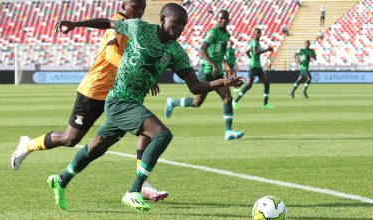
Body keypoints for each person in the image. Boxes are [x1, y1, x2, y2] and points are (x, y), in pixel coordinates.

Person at [50, 3, 243, 211]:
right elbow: (108, 23)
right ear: (162, 19)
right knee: (162, 134)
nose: (180, 29)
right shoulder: (139, 28)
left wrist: (223, 82)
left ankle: (60, 180)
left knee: (95, 149)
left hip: (132, 104)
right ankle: (133, 191)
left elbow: (195, 86)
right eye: (176, 23)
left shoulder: (176, 52)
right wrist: (75, 24)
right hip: (118, 101)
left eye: (183, 25)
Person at [10, 0, 168, 202]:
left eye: (142, 9)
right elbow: (111, 54)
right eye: (135, 7)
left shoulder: (136, 28)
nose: (139, 12)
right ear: (123, 5)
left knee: (146, 128)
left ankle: (142, 183)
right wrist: (137, 71)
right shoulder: (118, 23)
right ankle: (28, 145)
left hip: (120, 92)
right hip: (95, 90)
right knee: (70, 139)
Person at [164, 10, 244, 141]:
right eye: (221, 18)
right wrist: (213, 64)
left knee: (228, 97)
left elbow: (220, 54)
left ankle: (229, 131)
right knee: (197, 102)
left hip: (218, 73)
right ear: (218, 20)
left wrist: (226, 64)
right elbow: (202, 50)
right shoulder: (213, 32)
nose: (223, 20)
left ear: (228, 20)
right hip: (207, 71)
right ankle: (172, 102)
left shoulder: (227, 35)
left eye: (225, 18)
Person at [232, 28, 273, 109]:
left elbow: (247, 51)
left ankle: (265, 104)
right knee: (248, 85)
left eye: (259, 33)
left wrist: (251, 58)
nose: (258, 34)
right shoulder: (254, 42)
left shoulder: (255, 42)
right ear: (254, 34)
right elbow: (256, 52)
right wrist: (267, 50)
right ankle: (235, 101)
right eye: (257, 33)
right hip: (253, 67)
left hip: (258, 66)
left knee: (267, 83)